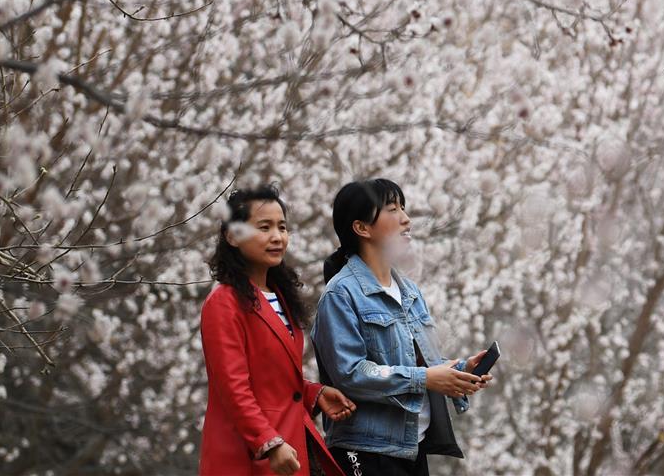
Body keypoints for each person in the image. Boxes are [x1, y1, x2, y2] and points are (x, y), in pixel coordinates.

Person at [312, 178, 494, 476]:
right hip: (367, 451)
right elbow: (351, 373)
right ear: (362, 228)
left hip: (412, 447)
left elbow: (421, 364)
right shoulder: (340, 294)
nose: (406, 219)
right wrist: (426, 378)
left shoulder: (408, 291)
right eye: (392, 209)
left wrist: (460, 371)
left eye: (404, 208)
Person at [200, 184, 356, 476]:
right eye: (264, 227)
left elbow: (272, 379)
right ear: (232, 236)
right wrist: (268, 443)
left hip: (291, 442)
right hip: (249, 455)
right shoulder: (223, 302)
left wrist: (313, 393)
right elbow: (233, 388)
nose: (277, 237)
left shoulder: (279, 296)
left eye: (282, 227)